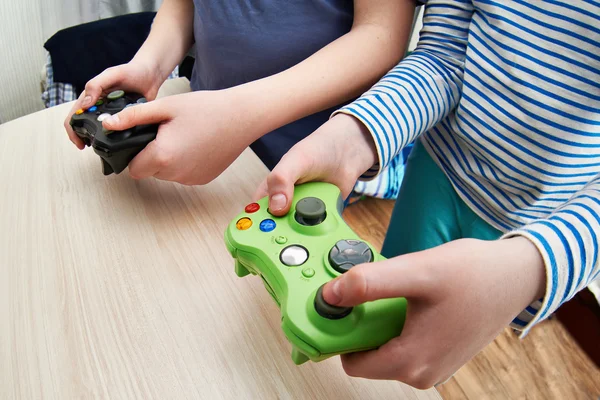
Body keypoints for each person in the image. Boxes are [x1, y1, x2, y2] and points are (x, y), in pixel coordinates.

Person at [256, 0, 600, 388]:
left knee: (436, 336)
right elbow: (443, 57)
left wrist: (536, 262)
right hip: (435, 170)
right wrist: (354, 135)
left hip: (535, 223)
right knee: (382, 319)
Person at [63, 0, 417, 200]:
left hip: (301, 163)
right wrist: (150, 65)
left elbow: (381, 35)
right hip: (194, 132)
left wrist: (237, 115)